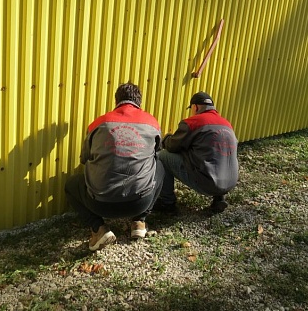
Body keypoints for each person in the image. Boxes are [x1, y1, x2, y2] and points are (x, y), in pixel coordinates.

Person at [65, 82, 165, 251]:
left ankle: (98, 228)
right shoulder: (152, 123)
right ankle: (139, 221)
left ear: (116, 101)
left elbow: (84, 158)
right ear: (139, 102)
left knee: (71, 185)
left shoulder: (99, 123)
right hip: (140, 202)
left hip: (101, 204)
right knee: (160, 165)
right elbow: (156, 153)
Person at [156, 91, 239, 214]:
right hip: (230, 182)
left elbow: (172, 146)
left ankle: (167, 202)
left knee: (162, 156)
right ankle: (219, 199)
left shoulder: (193, 122)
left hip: (208, 183)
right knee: (217, 155)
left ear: (195, 107)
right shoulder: (227, 124)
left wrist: (167, 138)